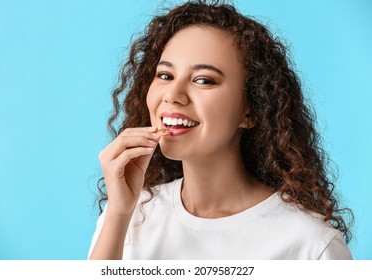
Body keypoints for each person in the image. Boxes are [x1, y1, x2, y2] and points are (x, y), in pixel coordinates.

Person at [88, 0, 353, 259]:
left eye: (204, 80)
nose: (173, 95)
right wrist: (119, 214)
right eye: (165, 75)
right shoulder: (129, 215)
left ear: (251, 111)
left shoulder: (311, 245)